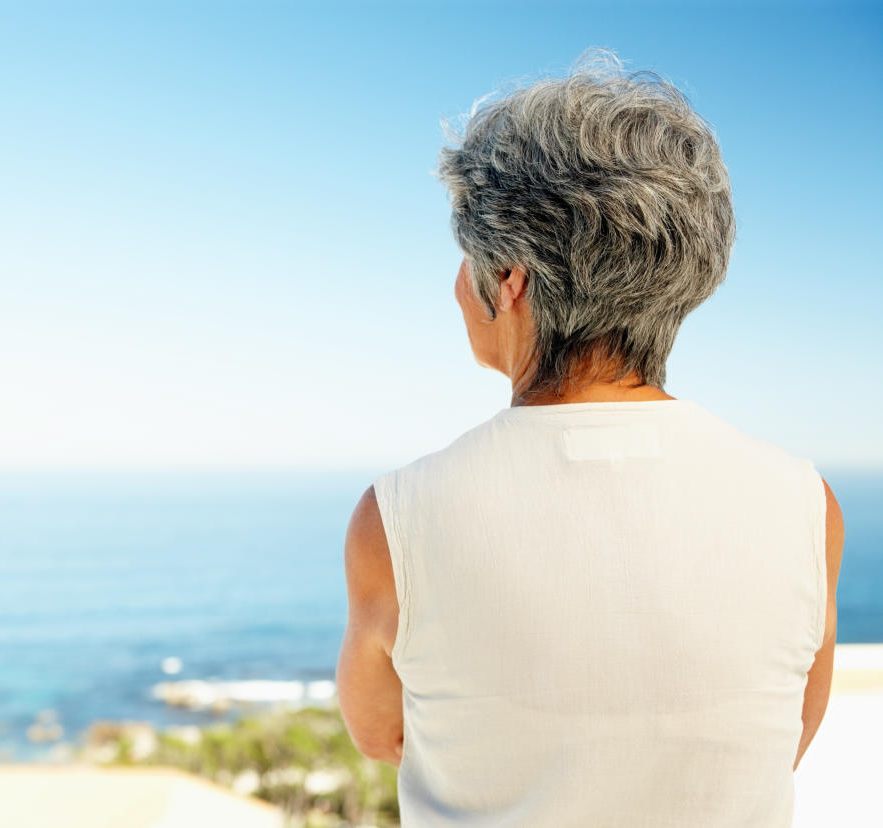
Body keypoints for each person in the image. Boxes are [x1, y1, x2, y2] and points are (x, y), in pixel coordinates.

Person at [335, 47, 845, 826]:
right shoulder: (807, 506)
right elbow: (785, 738)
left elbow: (383, 734)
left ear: (509, 281)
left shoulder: (398, 518)